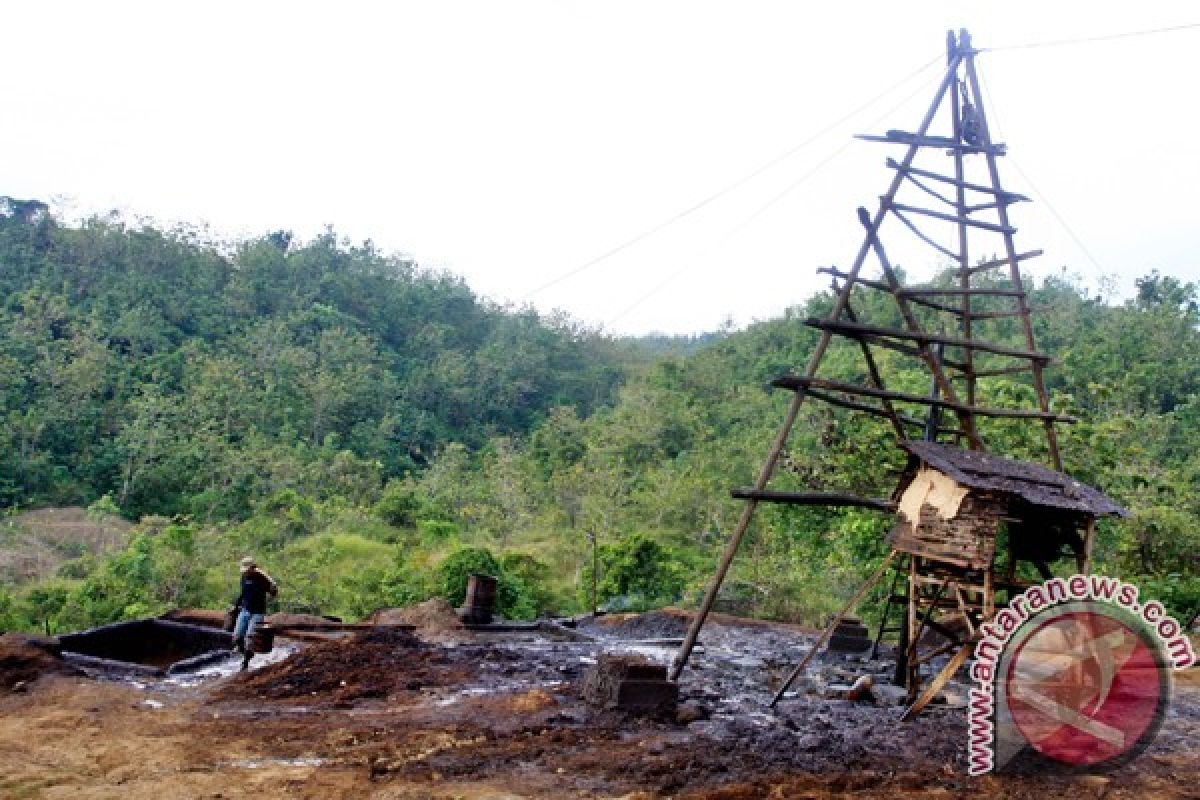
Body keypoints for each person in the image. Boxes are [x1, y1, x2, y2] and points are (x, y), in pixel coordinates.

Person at [230, 556, 278, 671]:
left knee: (250, 638)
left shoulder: (261, 578)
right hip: (245, 610)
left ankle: (245, 663)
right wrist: (235, 606)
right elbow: (243, 593)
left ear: (253, 568)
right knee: (236, 637)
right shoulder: (244, 577)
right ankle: (247, 654)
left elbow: (273, 592)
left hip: (257, 612)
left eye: (248, 569)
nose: (246, 572)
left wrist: (272, 584)